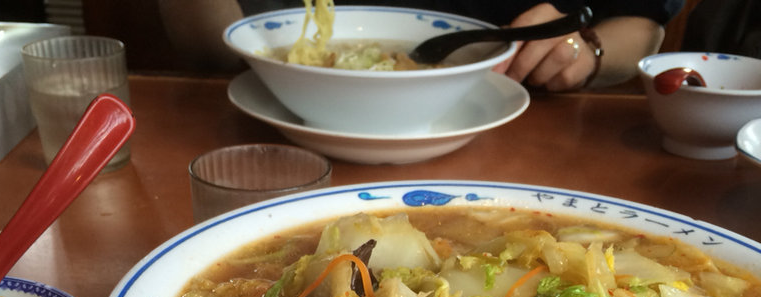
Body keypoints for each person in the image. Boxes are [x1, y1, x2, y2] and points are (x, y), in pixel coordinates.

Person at [155, 0, 683, 90]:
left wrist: (587, 49)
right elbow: (210, 46)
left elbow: (644, 23)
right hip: (282, 135)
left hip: (527, 130)